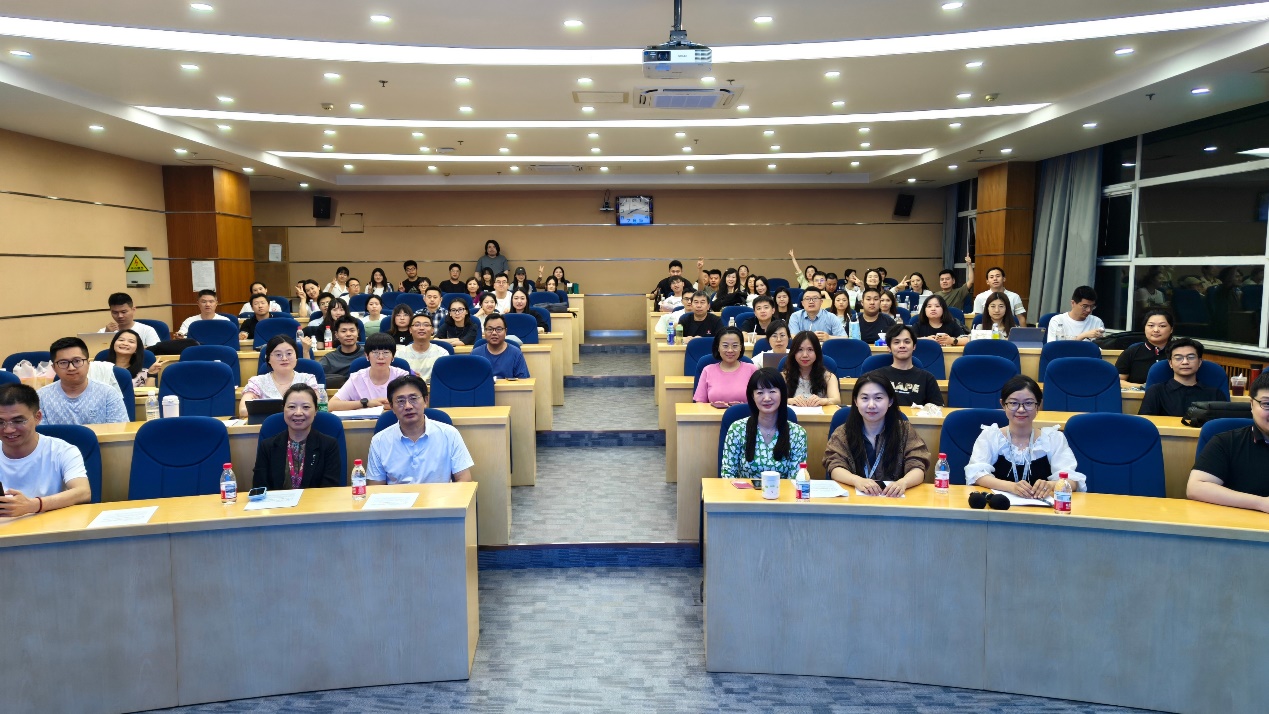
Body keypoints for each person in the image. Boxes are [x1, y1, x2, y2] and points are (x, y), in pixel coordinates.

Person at [965, 375, 1086, 497]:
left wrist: (1051, 485)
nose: (1021, 409)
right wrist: (1011, 487)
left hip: (1042, 506)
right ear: (1003, 404)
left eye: (1028, 403)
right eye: (1013, 403)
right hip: (1000, 505)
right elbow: (976, 475)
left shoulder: (1053, 439)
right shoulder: (990, 436)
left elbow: (1072, 481)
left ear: (1038, 405)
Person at [824, 374, 930, 497]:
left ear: (890, 401)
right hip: (853, 499)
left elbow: (918, 465)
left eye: (878, 398)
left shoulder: (905, 431)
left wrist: (903, 483)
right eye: (865, 398)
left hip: (894, 499)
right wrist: (856, 480)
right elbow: (834, 466)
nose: (871, 405)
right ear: (856, 401)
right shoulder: (843, 432)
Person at [0, 384, 91, 517]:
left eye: (18, 421)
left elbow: (83, 492)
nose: (8, 430)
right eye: (0, 422)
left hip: (51, 525)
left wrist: (33, 505)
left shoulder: (62, 451)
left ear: (37, 417)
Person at [366, 375, 473, 484]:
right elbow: (376, 488)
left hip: (440, 495)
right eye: (401, 401)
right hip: (398, 495)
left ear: (426, 400)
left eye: (413, 399)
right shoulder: (379, 441)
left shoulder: (449, 434)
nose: (408, 406)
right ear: (392, 407)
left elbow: (464, 480)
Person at [1186, 372, 1269, 512]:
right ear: (1251, 405)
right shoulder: (1226, 442)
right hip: (1238, 522)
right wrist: (1261, 503)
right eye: (1266, 404)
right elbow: (1196, 487)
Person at [719, 369, 809, 480]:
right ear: (752, 396)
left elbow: (796, 479)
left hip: (783, 491)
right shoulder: (737, 429)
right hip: (744, 491)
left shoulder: (798, 433)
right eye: (760, 393)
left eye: (772, 391)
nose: (766, 398)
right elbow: (727, 474)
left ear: (782, 394)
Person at [251, 384, 342, 491]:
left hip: (317, 501)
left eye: (306, 407)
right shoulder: (267, 446)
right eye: (292, 407)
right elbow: (259, 488)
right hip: (277, 502)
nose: (298, 413)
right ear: (283, 409)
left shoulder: (329, 445)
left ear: (316, 410)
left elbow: (330, 490)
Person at [36, 337, 128, 425]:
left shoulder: (108, 394)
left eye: (77, 361)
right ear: (54, 368)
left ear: (88, 363)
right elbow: (38, 434)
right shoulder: (41, 397)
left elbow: (119, 431)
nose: (71, 368)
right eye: (63, 363)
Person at [1138, 338, 1225, 417]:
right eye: (1178, 358)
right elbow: (1145, 424)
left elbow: (1223, 425)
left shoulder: (1215, 394)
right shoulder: (1156, 392)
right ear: (1170, 363)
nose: (1185, 362)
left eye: (1191, 357)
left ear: (1199, 362)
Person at [239, 336, 320, 417]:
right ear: (268, 359)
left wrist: (265, 408)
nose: (284, 358)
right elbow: (243, 410)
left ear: (296, 356)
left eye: (289, 353)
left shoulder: (307, 380)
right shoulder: (257, 382)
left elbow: (317, 406)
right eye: (278, 354)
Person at [329, 333, 410, 411]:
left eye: (386, 353)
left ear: (393, 356)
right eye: (375, 353)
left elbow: (413, 403)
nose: (381, 357)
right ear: (367, 356)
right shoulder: (357, 378)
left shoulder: (402, 376)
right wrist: (366, 403)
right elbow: (331, 405)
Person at [876, 324, 943, 406]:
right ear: (889, 348)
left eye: (907, 342)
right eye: (896, 342)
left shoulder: (927, 378)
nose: (902, 346)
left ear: (914, 346)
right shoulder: (878, 376)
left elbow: (938, 409)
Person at [693, 328, 758, 409]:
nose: (730, 350)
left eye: (735, 346)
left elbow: (758, 401)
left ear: (741, 347)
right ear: (718, 347)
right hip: (713, 416)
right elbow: (699, 403)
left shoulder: (752, 370)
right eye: (725, 346)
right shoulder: (707, 370)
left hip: (745, 416)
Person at [1116, 309, 1174, 388]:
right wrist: (1142, 387)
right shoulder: (1131, 352)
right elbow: (1117, 381)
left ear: (1171, 329)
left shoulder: (1179, 352)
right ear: (1145, 328)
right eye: (1151, 325)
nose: (1156, 330)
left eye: (1162, 326)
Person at [783, 331, 841, 407]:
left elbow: (837, 400)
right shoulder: (784, 376)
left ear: (817, 352)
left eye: (810, 349)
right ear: (793, 352)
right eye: (800, 349)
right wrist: (789, 400)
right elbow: (775, 399)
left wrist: (823, 401)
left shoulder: (828, 377)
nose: (805, 355)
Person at [472, 314, 530, 379]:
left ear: (505, 331)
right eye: (490, 329)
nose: (494, 333)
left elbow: (523, 381)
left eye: (499, 329)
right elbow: (470, 380)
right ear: (485, 331)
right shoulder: (476, 354)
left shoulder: (516, 353)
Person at [397, 314, 449, 382]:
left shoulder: (442, 354)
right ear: (410, 330)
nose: (421, 328)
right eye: (417, 325)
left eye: (426, 325)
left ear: (432, 330)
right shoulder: (399, 354)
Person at [317, 316, 364, 383]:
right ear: (336, 335)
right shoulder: (329, 359)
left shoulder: (368, 354)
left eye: (352, 330)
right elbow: (314, 376)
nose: (348, 334)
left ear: (358, 332)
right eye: (343, 331)